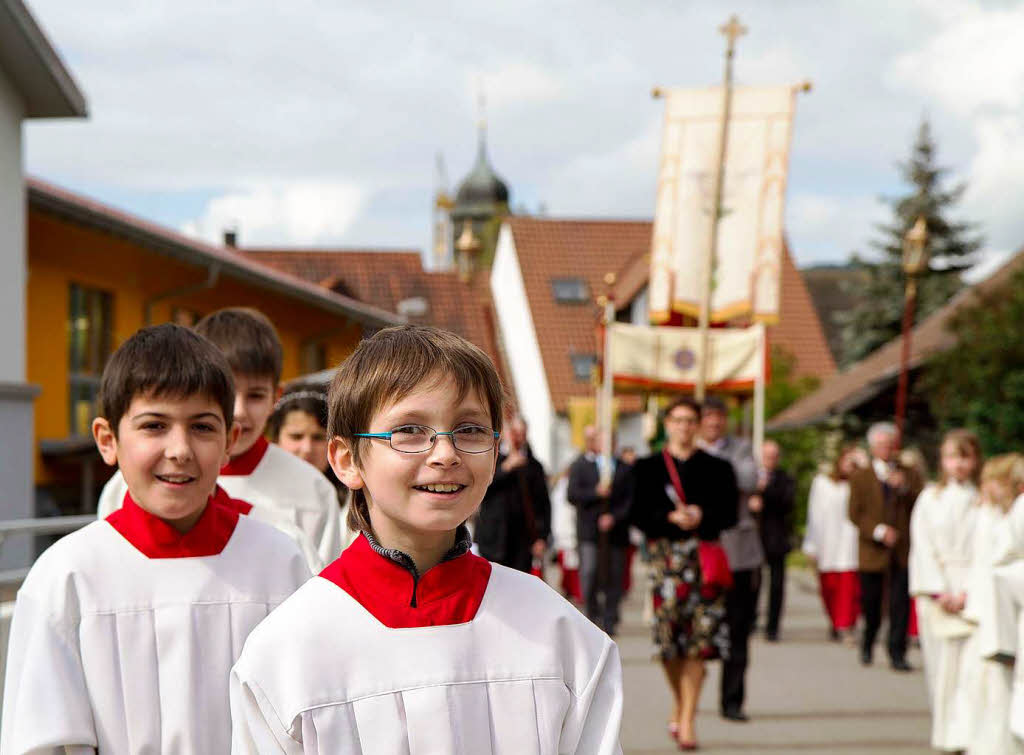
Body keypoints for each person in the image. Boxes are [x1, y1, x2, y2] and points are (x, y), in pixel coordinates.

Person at [229, 325, 623, 752]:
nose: (445, 453)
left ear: (495, 451)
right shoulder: (289, 649)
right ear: (347, 460)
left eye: (470, 429)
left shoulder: (557, 632)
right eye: (410, 431)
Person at [0, 324, 310, 753]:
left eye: (202, 427)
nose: (179, 449)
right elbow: (40, 740)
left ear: (229, 442)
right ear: (108, 441)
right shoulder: (66, 577)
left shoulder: (279, 564)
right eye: (154, 425)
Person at [97, 308, 342, 568]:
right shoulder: (124, 486)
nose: (238, 411)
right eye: (229, 394)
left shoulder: (311, 490)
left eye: (255, 396)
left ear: (276, 396)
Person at [628, 397, 738, 750]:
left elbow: (731, 514)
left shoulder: (719, 467)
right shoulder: (647, 467)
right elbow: (635, 512)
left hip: (704, 563)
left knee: (699, 644)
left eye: (691, 420)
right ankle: (680, 701)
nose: (685, 427)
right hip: (666, 564)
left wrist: (701, 515)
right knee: (667, 645)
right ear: (667, 424)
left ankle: (688, 718)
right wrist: (668, 518)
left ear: (699, 425)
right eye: (678, 420)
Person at [908, 429, 981, 752]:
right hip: (936, 591)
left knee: (969, 670)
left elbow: (986, 549)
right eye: (953, 457)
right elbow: (921, 546)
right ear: (943, 460)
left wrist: (967, 591)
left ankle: (966, 731)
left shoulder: (982, 500)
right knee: (940, 669)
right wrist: (939, 590)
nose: (959, 464)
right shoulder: (930, 498)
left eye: (965, 457)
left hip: (971, 592)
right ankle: (944, 730)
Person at [698, 395, 763, 722]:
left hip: (739, 555)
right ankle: (686, 706)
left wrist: (710, 467)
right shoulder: (687, 453)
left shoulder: (740, 449)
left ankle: (732, 700)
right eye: (707, 417)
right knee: (696, 633)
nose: (713, 422)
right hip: (700, 555)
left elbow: (750, 480)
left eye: (718, 417)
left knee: (738, 631)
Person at [960, 454, 1023, 755]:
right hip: (993, 609)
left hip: (1004, 610)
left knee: (1001, 688)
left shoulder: (1012, 512)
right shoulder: (997, 513)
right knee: (990, 685)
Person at [848, 421, 923, 671]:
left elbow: (921, 504)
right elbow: (855, 513)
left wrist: (902, 487)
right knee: (871, 604)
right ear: (872, 448)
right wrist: (879, 531)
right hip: (872, 552)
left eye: (889, 445)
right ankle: (868, 642)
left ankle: (897, 652)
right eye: (880, 445)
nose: (886, 450)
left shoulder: (909, 474)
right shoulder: (861, 477)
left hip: (901, 552)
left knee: (899, 605)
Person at [267, 383, 356, 552]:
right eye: (296, 436)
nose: (307, 448)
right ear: (276, 440)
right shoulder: (259, 496)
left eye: (318, 437)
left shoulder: (354, 508)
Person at [568, 425, 632, 636]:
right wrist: (595, 493)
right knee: (590, 571)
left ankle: (611, 618)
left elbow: (630, 500)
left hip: (616, 533)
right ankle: (592, 614)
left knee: (614, 575)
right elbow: (573, 494)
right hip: (589, 531)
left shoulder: (624, 467)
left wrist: (614, 517)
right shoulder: (580, 466)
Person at [474, 414, 551, 573]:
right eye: (514, 432)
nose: (518, 437)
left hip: (523, 540)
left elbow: (543, 504)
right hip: (493, 538)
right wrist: (506, 468)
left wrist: (542, 537)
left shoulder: (534, 466)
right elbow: (480, 489)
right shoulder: (490, 459)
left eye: (521, 433)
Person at [802, 446, 863, 642]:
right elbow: (814, 514)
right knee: (830, 588)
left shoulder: (860, 484)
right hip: (828, 542)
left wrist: (863, 467)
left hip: (850, 544)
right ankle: (835, 621)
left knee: (849, 589)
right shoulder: (822, 483)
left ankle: (846, 625)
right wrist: (811, 544)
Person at [756, 439, 795, 642]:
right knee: (753, 583)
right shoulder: (751, 478)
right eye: (766, 456)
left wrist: (766, 491)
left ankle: (773, 627)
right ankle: (751, 621)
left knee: (777, 586)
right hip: (755, 540)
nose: (770, 460)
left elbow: (787, 503)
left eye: (773, 456)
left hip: (777, 539)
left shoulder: (785, 479)